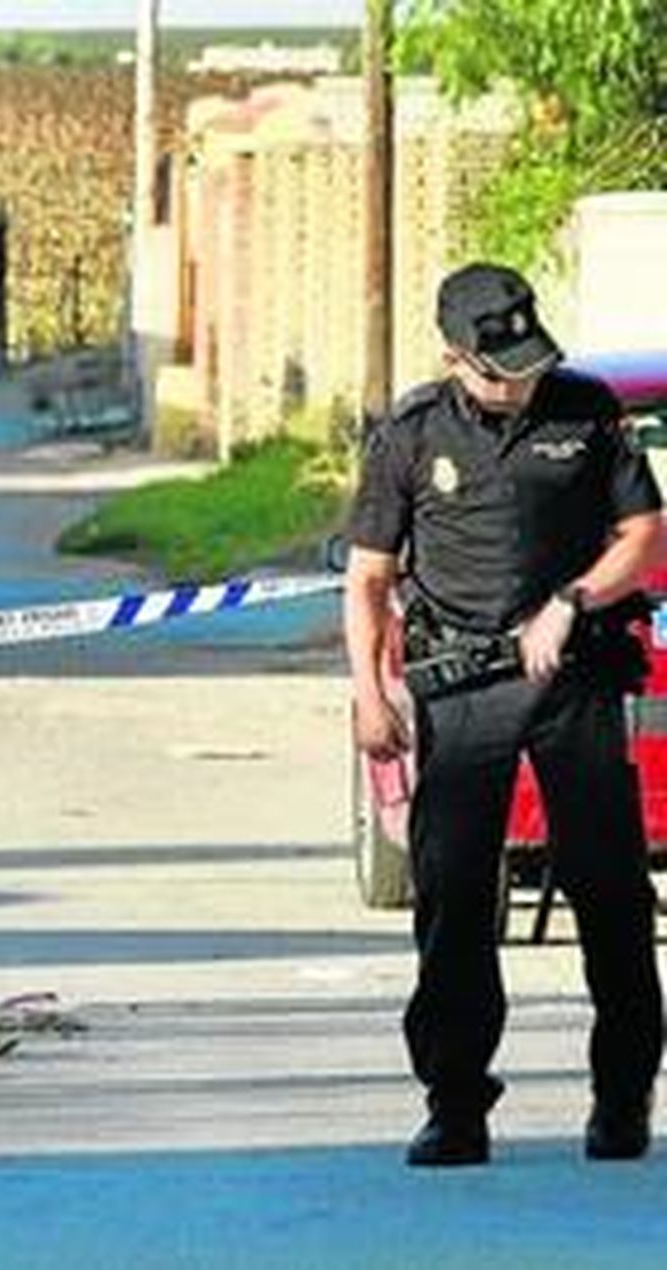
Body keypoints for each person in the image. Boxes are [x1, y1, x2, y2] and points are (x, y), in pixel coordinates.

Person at [345, 261, 664, 1167]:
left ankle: (623, 1095)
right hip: (461, 687)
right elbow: (368, 579)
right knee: (452, 899)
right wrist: (372, 697)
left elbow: (645, 536)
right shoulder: (410, 435)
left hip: (574, 680)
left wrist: (571, 600)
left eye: (527, 360)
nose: (520, 378)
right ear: (455, 359)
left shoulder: (588, 412)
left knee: (609, 890)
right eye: (499, 367)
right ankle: (455, 1103)